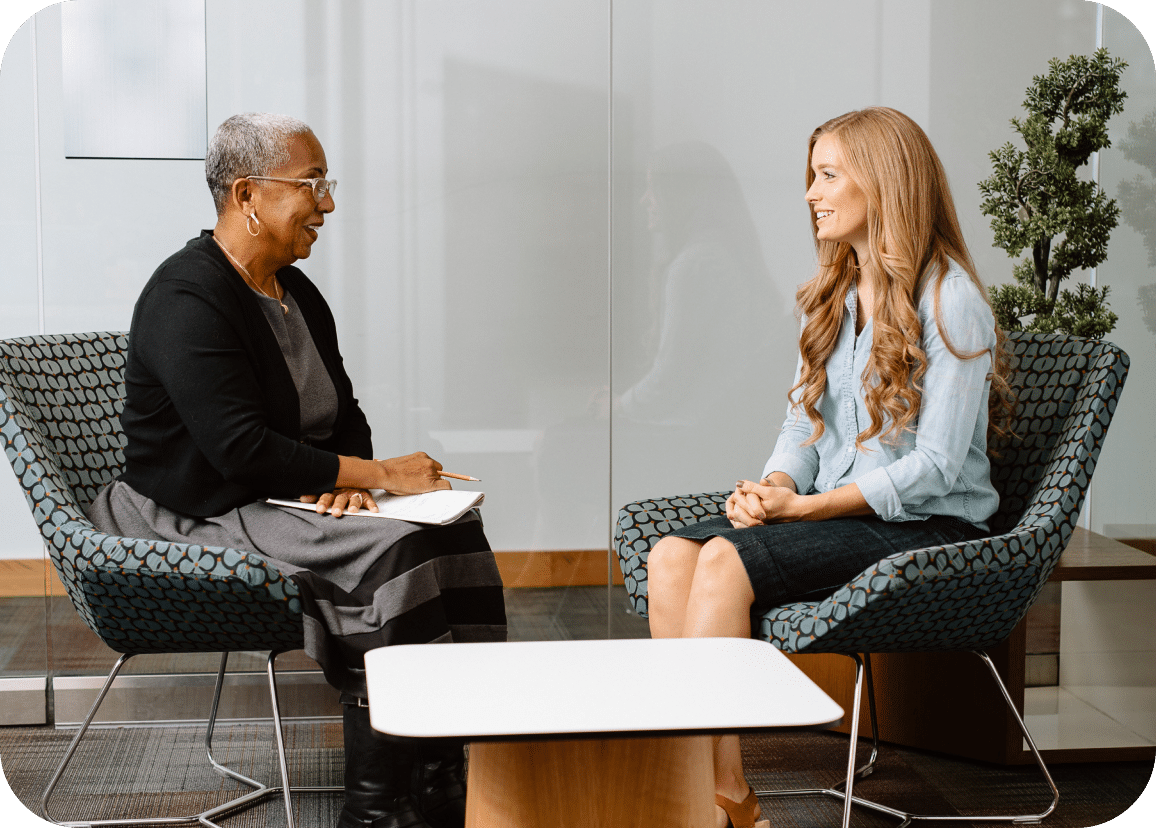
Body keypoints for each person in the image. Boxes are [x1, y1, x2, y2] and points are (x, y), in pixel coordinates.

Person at [85, 113, 506, 828]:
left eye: (326, 183)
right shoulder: (187, 297)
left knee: (457, 537)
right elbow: (237, 450)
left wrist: (343, 477)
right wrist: (371, 476)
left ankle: (448, 781)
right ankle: (378, 810)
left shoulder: (294, 290)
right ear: (248, 194)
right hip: (197, 510)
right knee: (394, 553)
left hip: (280, 497)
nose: (328, 203)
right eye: (312, 184)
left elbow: (343, 415)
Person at [644, 107, 1013, 828]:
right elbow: (801, 425)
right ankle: (714, 788)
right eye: (811, 176)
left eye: (827, 175)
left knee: (721, 561)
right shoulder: (837, 296)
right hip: (846, 512)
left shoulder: (952, 300)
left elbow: (936, 468)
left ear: (883, 184)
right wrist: (776, 485)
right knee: (668, 556)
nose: (811, 193)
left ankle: (713, 799)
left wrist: (806, 509)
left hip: (927, 527)